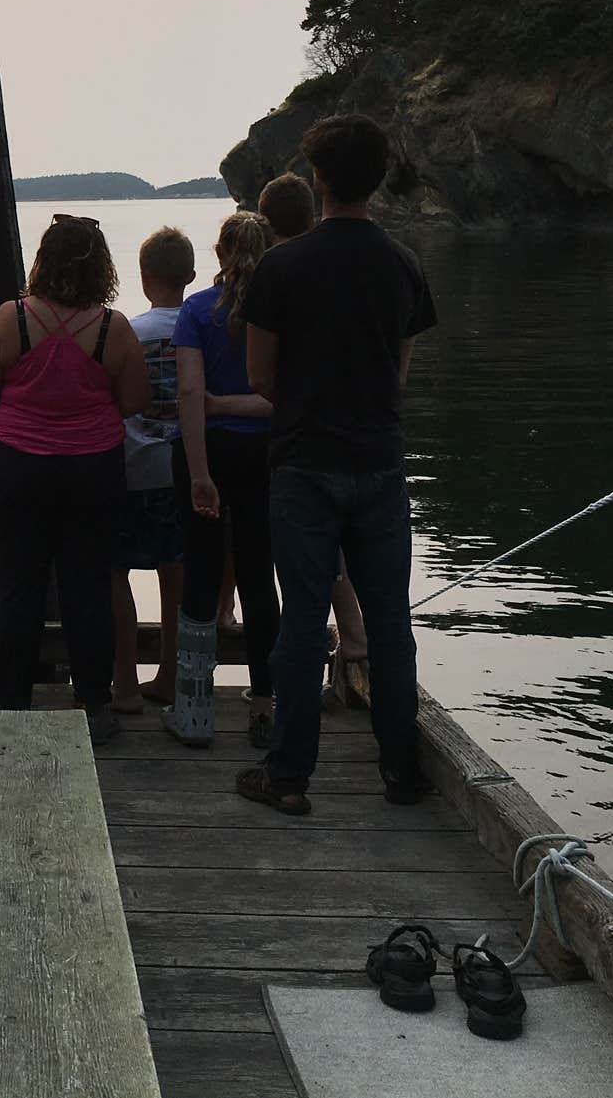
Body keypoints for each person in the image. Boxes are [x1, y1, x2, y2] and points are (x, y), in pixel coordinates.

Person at [240, 115, 438, 817]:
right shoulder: (403, 264)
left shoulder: (279, 266)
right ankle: (401, 772)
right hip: (379, 463)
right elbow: (397, 376)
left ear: (316, 179)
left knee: (301, 620)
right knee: (389, 621)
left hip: (302, 464)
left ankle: (288, 775)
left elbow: (260, 376)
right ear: (378, 179)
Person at [0, 215, 150, 744]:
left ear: (43, 260)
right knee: (87, 586)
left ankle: (10, 702)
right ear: (101, 266)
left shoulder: (12, 318)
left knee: (19, 586)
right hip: (92, 468)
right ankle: (92, 703)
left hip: (18, 467)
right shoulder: (113, 327)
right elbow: (137, 400)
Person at [163, 212, 281, 750]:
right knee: (260, 576)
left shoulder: (195, 311)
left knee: (202, 578)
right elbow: (283, 397)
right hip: (264, 453)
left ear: (218, 252)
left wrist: (199, 472)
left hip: (208, 450)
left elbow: (189, 395)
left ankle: (194, 709)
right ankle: (264, 704)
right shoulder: (280, 310)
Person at [259, 170, 372, 709]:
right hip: (357, 442)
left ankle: (289, 718)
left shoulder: (275, 273)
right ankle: (356, 640)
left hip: (293, 443)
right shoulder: (359, 267)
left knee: (300, 577)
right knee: (333, 560)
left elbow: (261, 376)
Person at [113, 226, 194, 712]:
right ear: (190, 275)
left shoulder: (129, 331)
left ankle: (124, 681)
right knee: (177, 575)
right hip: (182, 471)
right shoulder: (201, 326)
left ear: (143, 277)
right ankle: (171, 672)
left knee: (114, 572)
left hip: (130, 469)